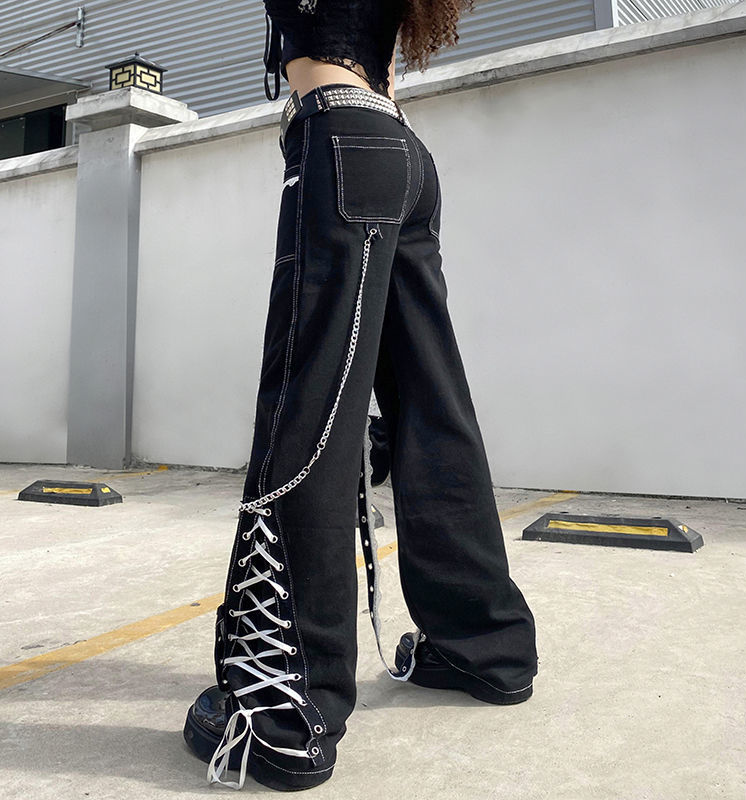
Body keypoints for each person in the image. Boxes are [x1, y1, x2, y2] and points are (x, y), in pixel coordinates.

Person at [183, 0, 538, 791]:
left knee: (308, 411)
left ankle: (284, 713)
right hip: (401, 149)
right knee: (431, 404)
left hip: (339, 142)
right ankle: (486, 646)